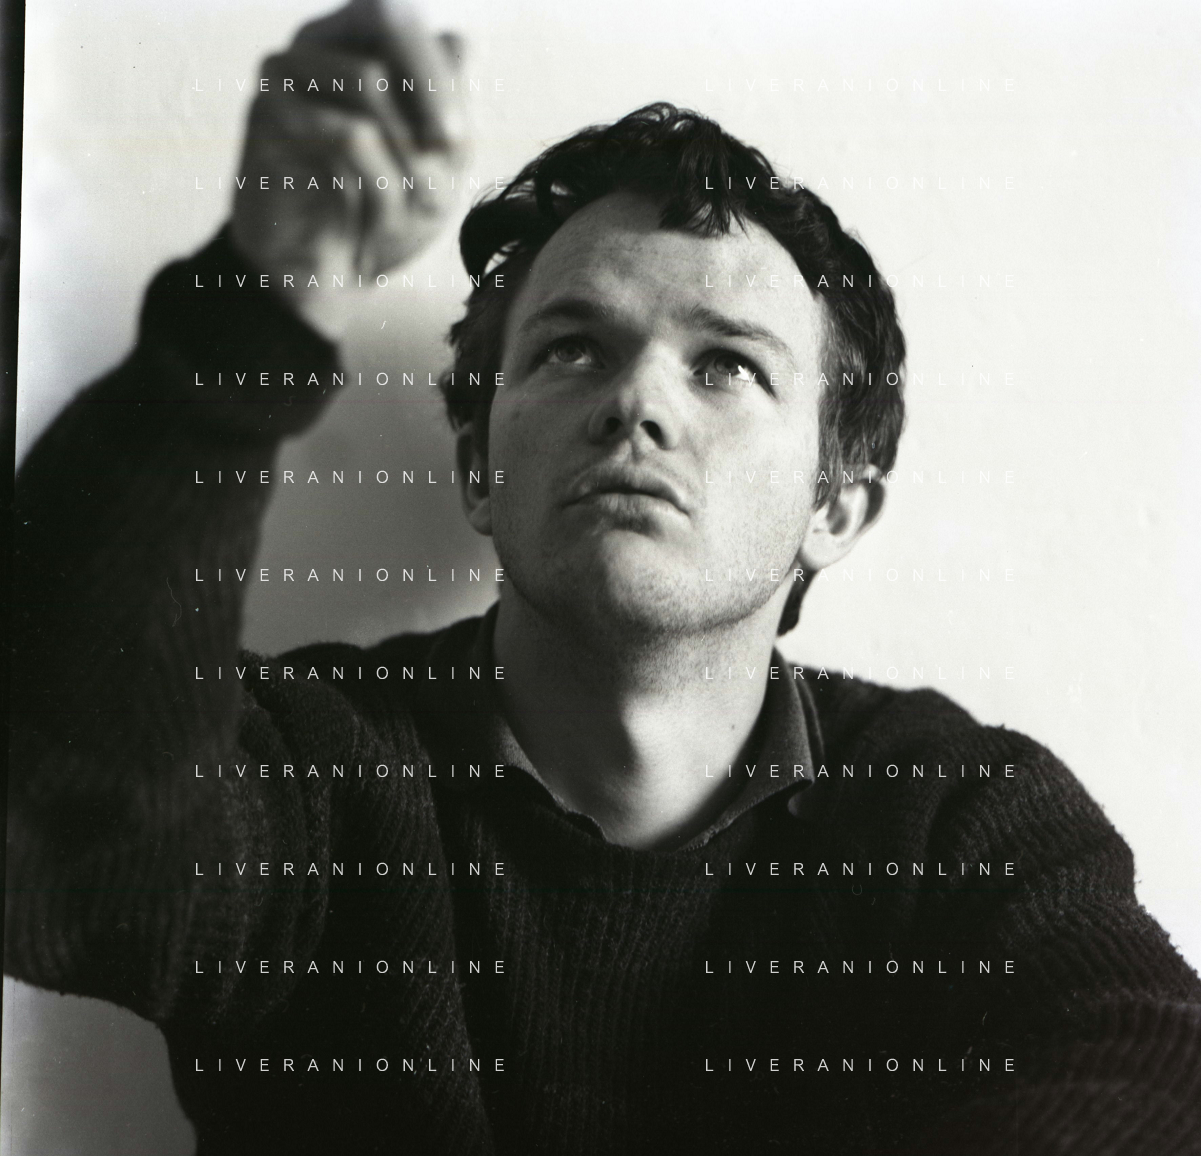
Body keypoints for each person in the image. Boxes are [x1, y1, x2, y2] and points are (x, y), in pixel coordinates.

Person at [8, 2, 1201, 1153]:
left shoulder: (949, 818)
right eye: (572, 348)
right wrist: (255, 302)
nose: (636, 402)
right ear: (480, 471)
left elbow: (1156, 1067)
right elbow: (57, 841)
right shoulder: (319, 778)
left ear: (834, 505)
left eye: (726, 365)